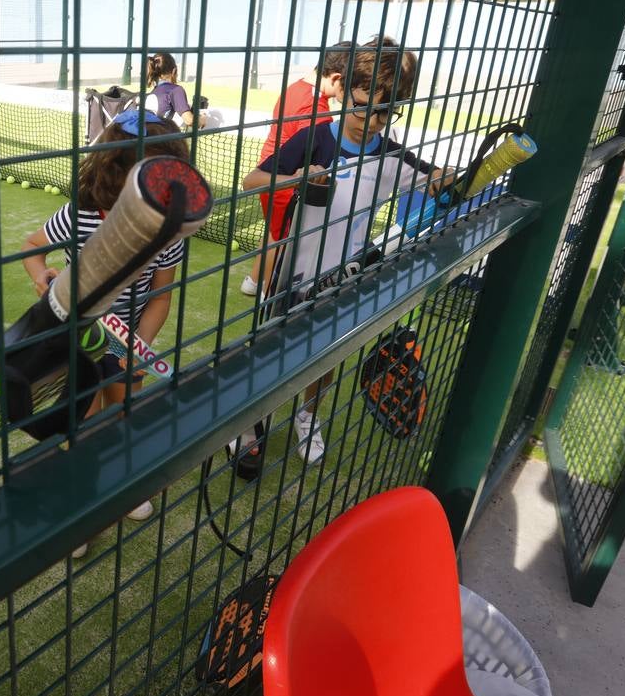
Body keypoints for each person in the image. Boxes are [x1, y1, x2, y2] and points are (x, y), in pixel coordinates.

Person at [240, 37, 450, 465]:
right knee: (270, 352)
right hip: (289, 276)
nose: (373, 121)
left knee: (326, 357)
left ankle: (307, 415)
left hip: (343, 279)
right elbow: (252, 181)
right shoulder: (314, 140)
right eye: (364, 105)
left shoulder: (393, 156)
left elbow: (437, 180)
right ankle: (250, 423)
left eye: (387, 112)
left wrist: (450, 178)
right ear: (340, 87)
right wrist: (297, 177)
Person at [22, 109, 190, 553]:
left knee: (123, 413)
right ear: (112, 174)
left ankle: (125, 487)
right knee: (83, 424)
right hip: (78, 340)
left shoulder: (170, 230)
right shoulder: (80, 215)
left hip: (127, 340)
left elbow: (160, 297)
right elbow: (32, 248)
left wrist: (139, 346)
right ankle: (80, 509)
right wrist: (42, 278)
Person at [240, 40, 354, 296]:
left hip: (270, 171)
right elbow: (312, 152)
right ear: (336, 78)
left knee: (275, 231)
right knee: (286, 242)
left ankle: (253, 282)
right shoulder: (316, 111)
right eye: (350, 84)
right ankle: (269, 296)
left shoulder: (296, 88)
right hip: (285, 180)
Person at [144, 52, 195, 128]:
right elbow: (189, 120)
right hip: (164, 138)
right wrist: (202, 119)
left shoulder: (154, 92)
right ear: (174, 71)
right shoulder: (176, 90)